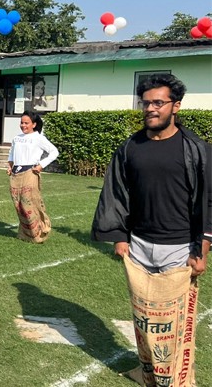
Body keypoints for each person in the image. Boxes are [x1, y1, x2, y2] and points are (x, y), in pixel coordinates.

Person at [92, 74, 211, 386]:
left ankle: (178, 379)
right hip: (140, 246)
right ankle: (147, 372)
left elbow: (209, 202)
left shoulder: (196, 150)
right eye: (146, 103)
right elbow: (116, 193)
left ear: (176, 106)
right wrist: (119, 236)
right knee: (144, 321)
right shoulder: (130, 148)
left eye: (158, 102)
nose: (150, 108)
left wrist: (202, 249)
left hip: (180, 248)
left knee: (176, 325)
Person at [6, 110, 59, 244]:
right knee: (18, 204)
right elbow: (12, 154)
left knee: (28, 203)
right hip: (16, 174)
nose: (23, 125)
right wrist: (9, 166)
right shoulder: (16, 138)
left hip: (30, 172)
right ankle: (25, 234)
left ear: (34, 124)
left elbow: (54, 152)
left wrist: (41, 165)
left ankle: (40, 231)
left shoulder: (38, 138)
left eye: (26, 123)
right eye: (22, 123)